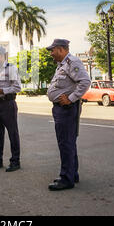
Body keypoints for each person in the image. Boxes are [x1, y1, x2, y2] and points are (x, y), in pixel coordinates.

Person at [46, 39, 91, 191]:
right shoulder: (62, 65)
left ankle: (66, 178)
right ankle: (73, 174)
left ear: (60, 49)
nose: (51, 54)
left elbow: (85, 81)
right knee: (68, 142)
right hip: (60, 109)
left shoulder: (72, 62)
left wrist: (71, 99)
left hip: (67, 109)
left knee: (66, 143)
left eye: (52, 50)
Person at [0, 46, 22, 172]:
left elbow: (17, 87)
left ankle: (15, 161)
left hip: (8, 104)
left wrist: (1, 91)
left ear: (1, 55)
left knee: (13, 133)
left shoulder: (10, 68)